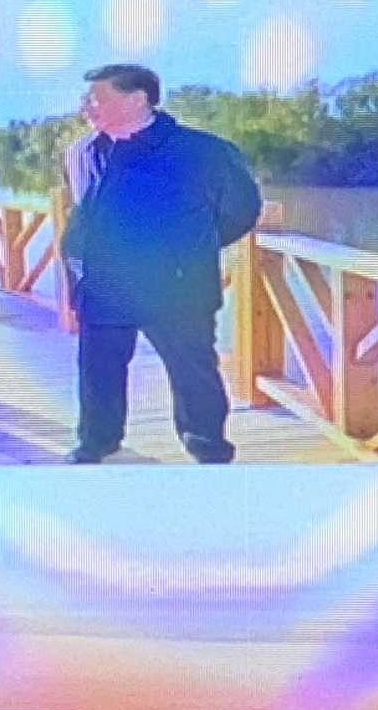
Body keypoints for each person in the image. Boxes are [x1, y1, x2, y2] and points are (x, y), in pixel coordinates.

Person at [57, 62, 261, 463]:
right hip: (104, 286)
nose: (86, 106)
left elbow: (241, 210)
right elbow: (81, 212)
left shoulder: (204, 152)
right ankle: (97, 441)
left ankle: (207, 446)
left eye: (97, 98)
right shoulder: (80, 152)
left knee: (193, 374)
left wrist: (187, 251)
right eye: (86, 98)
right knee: (98, 371)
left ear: (137, 100)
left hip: (176, 288)